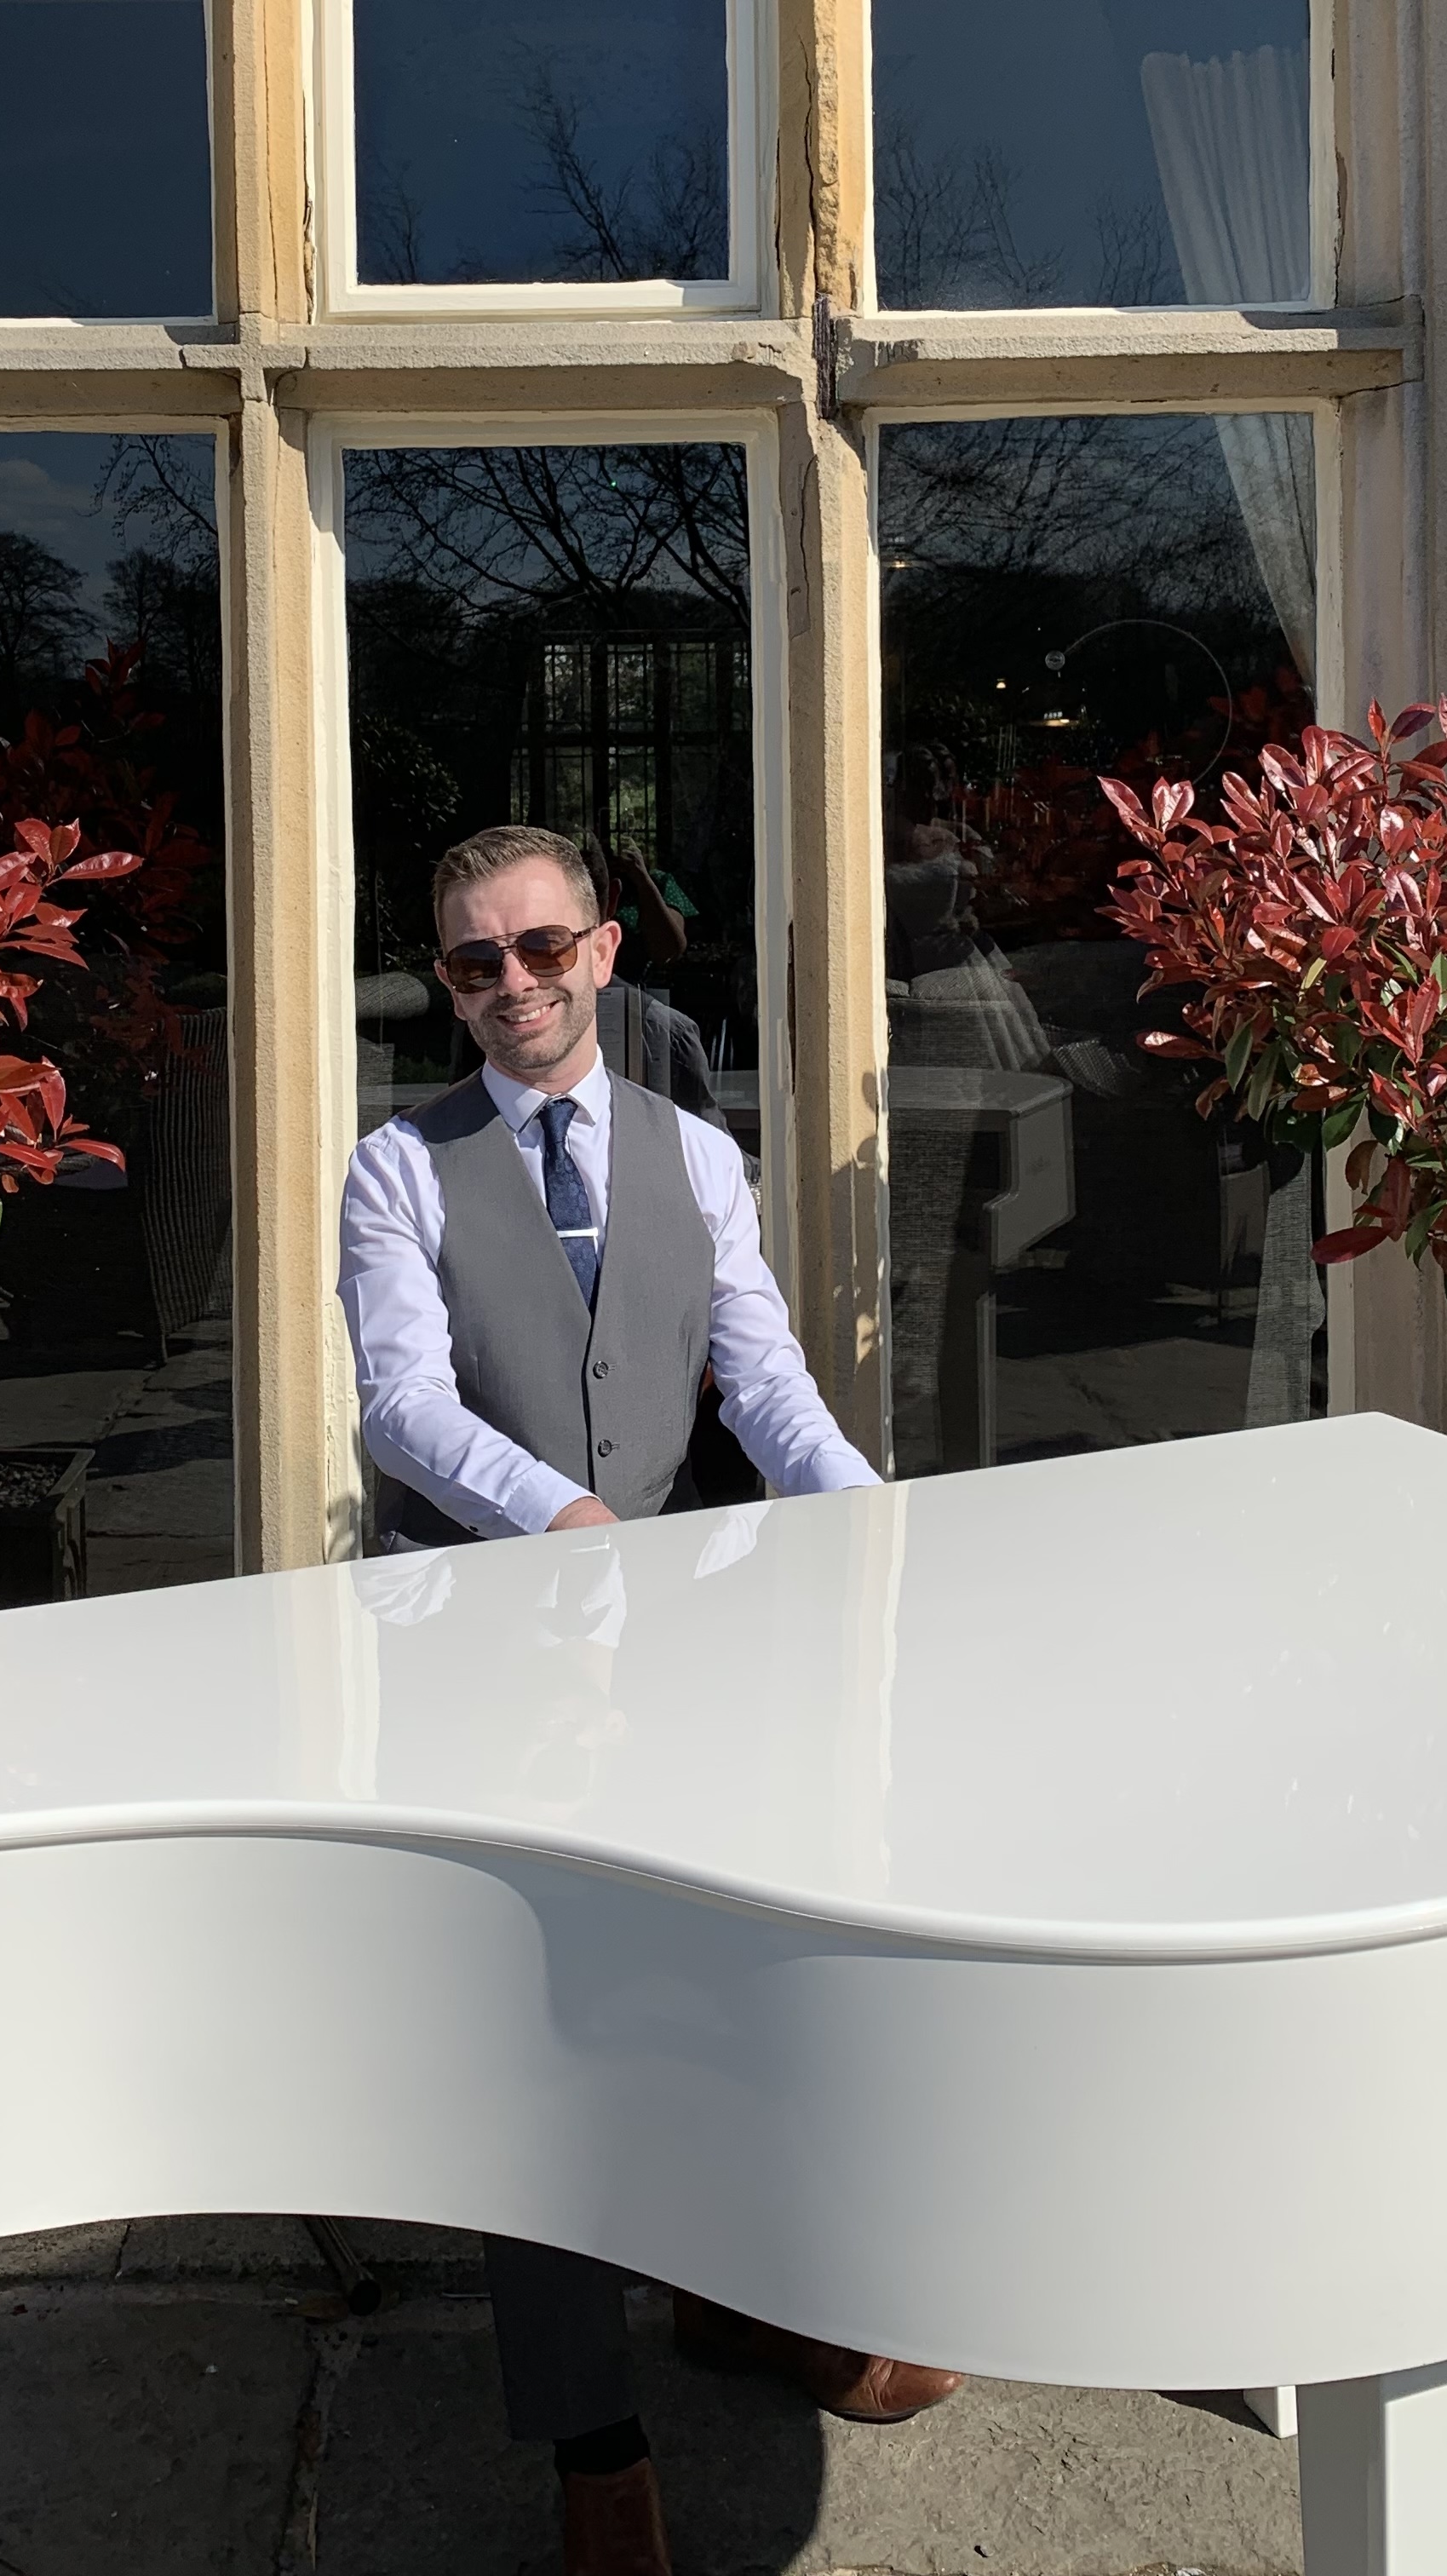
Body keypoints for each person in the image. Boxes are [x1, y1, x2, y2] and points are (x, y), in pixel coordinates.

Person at [336, 824, 965, 2576]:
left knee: (734, 1988)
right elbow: (399, 1410)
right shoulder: (397, 1164)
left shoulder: (695, 1151)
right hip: (480, 1645)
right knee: (542, 2050)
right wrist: (567, 1521)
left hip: (685, 1652)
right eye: (475, 963)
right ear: (445, 983)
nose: (514, 986)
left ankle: (749, 2304)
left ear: (606, 953)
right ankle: (592, 2448)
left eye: (542, 949)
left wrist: (870, 1525)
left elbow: (763, 1378)